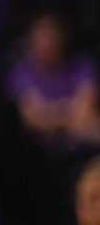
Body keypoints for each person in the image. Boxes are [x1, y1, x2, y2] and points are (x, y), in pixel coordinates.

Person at [8, 12, 100, 148]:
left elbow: (86, 109)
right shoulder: (22, 73)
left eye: (51, 36)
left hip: (86, 141)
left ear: (62, 38)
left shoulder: (82, 66)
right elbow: (32, 119)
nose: (46, 43)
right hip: (42, 151)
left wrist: (50, 112)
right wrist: (69, 111)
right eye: (41, 37)